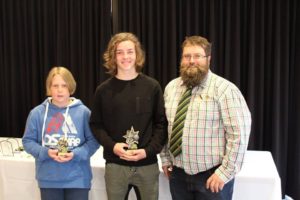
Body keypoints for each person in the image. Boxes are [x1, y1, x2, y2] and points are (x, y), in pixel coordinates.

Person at [160, 36, 252, 200]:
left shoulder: (225, 90)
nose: (192, 61)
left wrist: (224, 173)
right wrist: (166, 159)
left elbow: (239, 135)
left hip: (211, 178)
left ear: (208, 59)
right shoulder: (171, 88)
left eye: (197, 56)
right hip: (178, 176)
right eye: (187, 56)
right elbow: (165, 127)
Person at [89, 32, 167, 200]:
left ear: (137, 54)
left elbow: (161, 124)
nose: (125, 56)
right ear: (113, 56)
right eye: (120, 52)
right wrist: (112, 146)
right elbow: (96, 125)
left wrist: (147, 152)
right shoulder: (103, 91)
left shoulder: (152, 87)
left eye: (130, 51)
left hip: (147, 165)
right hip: (116, 165)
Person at [22, 66, 100, 200]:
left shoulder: (84, 113)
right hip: (49, 179)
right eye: (55, 85)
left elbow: (93, 142)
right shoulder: (37, 113)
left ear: (70, 87)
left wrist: (75, 154)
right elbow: (27, 141)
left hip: (78, 178)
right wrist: (45, 152)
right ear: (49, 88)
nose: (59, 90)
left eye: (64, 85)